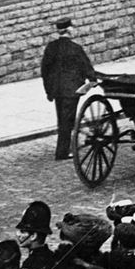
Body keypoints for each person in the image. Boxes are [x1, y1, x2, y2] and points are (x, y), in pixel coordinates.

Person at [40, 17, 95, 161]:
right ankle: (62, 152)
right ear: (69, 30)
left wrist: (49, 90)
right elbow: (86, 67)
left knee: (62, 119)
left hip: (57, 90)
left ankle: (63, 148)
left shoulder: (51, 47)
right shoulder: (75, 48)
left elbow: (44, 70)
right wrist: (93, 79)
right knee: (67, 121)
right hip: (72, 90)